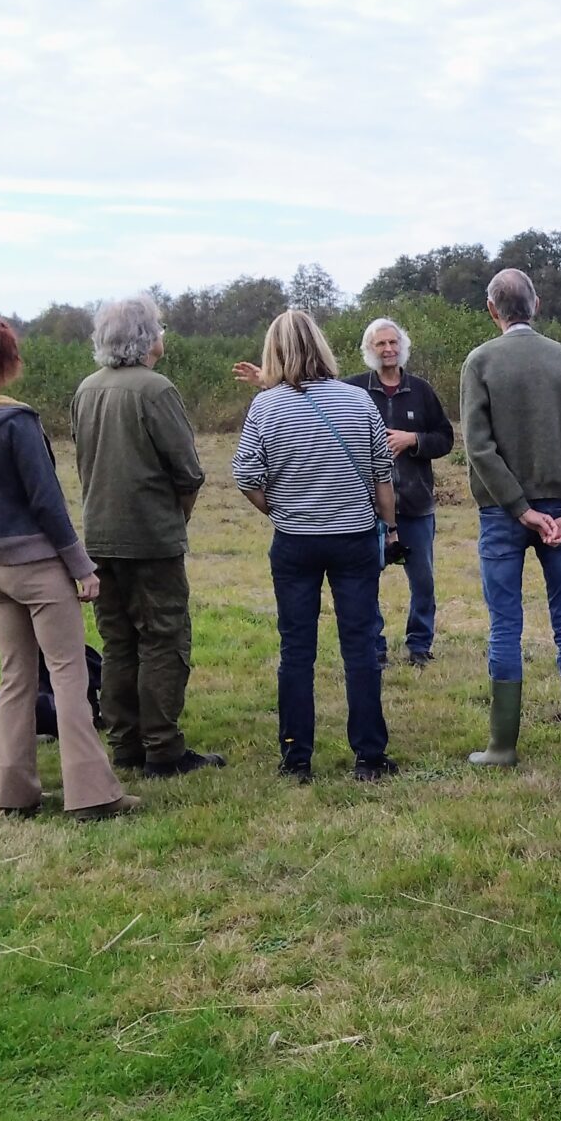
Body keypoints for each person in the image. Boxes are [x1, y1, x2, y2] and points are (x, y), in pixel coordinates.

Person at [0, 311, 139, 821]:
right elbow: (47, 504)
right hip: (37, 566)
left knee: (16, 678)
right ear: (3, 356)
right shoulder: (16, 421)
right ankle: (92, 794)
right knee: (68, 676)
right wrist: (82, 567)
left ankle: (14, 792)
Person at [232, 310, 399, 782]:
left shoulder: (265, 407)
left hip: (295, 543)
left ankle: (296, 757)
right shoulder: (357, 401)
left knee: (297, 649)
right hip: (354, 539)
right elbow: (382, 473)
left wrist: (278, 510)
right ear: (321, 346)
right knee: (361, 646)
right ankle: (369, 755)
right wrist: (389, 526)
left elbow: (245, 474)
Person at [459, 268, 561, 765]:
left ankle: (502, 747)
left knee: (505, 624)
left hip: (502, 514)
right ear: (536, 305)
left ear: (492, 310)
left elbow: (477, 448)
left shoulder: (479, 361)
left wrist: (518, 508)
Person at [73, 296, 220, 778]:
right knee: (163, 637)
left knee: (117, 641)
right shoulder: (156, 390)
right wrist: (178, 519)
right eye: (159, 328)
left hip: (98, 537)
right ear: (147, 338)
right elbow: (188, 472)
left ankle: (125, 744)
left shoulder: (86, 389)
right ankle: (163, 749)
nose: (163, 336)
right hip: (151, 538)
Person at [344, 318, 453, 667]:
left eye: (393, 343)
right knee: (365, 580)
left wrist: (413, 440)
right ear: (369, 350)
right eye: (381, 344)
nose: (388, 350)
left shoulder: (421, 390)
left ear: (402, 346)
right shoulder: (354, 390)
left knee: (423, 581)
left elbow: (445, 438)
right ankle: (374, 647)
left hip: (416, 505)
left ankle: (419, 646)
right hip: (367, 507)